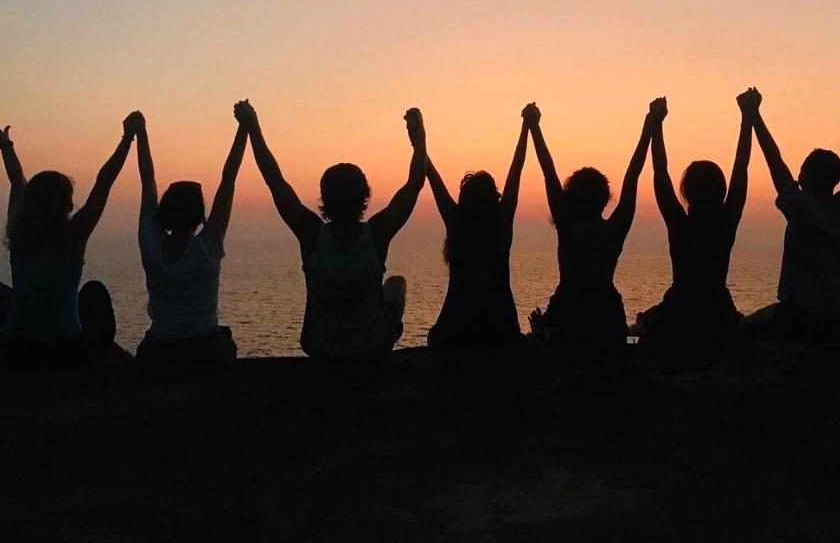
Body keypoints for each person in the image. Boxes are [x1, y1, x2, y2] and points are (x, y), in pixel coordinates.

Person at [235, 100, 426, 364]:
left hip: (321, 348)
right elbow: (414, 184)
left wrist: (253, 128)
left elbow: (274, 180)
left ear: (324, 197)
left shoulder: (310, 233)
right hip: (371, 348)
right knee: (396, 284)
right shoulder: (377, 234)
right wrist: (418, 138)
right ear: (364, 196)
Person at [0, 114, 133, 367]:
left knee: (2, 298)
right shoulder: (73, 236)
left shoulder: (18, 235)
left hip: (16, 345)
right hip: (64, 347)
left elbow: (16, 179)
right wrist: (127, 139)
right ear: (67, 203)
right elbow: (104, 182)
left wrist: (4, 144)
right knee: (94, 293)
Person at [526, 103, 652, 347]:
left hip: (567, 311)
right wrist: (651, 126)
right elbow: (633, 175)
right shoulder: (614, 230)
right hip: (606, 314)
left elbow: (548, 172)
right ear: (605, 198)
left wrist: (533, 127)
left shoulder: (568, 227)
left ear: (570, 197)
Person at [634, 91, 756, 341]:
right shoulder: (726, 223)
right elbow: (741, 167)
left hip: (679, 312)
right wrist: (748, 117)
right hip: (717, 313)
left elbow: (660, 172)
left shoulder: (679, 225)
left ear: (687, 192)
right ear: (721, 190)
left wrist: (657, 124)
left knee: (641, 327)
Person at [744, 92, 840, 341]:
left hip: (800, 317)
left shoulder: (801, 208)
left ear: (804, 177)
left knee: (743, 327)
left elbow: (773, 158)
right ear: (836, 180)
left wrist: (754, 114)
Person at [131, 109, 247, 371]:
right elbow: (228, 179)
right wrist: (245, 128)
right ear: (199, 215)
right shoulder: (208, 246)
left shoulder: (150, 244)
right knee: (224, 338)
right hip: (205, 350)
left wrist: (140, 133)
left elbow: (147, 181)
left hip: (159, 350)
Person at [424, 104, 534, 351]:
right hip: (501, 332)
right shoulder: (501, 225)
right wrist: (527, 127)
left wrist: (418, 141)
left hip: (455, 331)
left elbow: (431, 174)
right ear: (494, 199)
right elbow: (516, 170)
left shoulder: (457, 223)